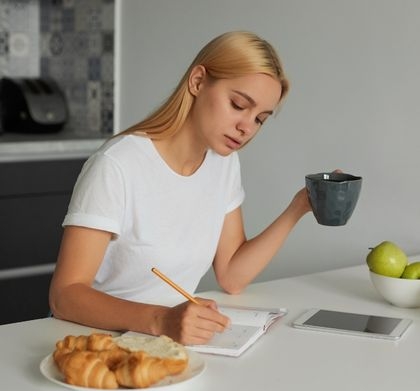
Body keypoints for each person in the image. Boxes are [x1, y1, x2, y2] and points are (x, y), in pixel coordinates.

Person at [49, 31, 312, 345]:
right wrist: (162, 319)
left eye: (260, 119)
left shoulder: (223, 163)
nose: (247, 127)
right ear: (198, 81)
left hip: (166, 343)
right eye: (238, 104)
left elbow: (231, 275)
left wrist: (299, 207)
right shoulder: (117, 165)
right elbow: (65, 296)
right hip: (96, 343)